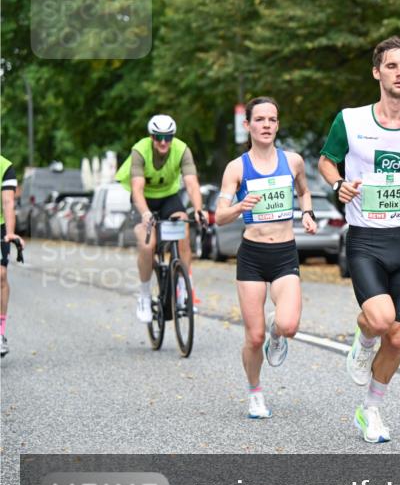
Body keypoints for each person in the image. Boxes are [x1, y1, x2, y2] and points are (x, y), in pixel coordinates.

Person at [318, 36, 400, 443]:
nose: (399, 73)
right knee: (379, 321)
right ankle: (362, 340)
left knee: (396, 336)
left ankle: (371, 410)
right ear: (377, 72)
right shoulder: (350, 121)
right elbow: (326, 161)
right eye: (391, 66)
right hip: (365, 237)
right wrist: (339, 184)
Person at [215, 97, 317, 419]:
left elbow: (304, 192)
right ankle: (255, 392)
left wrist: (308, 213)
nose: (266, 125)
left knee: (288, 325)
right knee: (253, 336)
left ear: (277, 124)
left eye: (272, 119)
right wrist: (239, 207)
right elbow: (219, 216)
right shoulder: (237, 167)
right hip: (253, 256)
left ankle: (277, 332)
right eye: (259, 119)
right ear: (248, 125)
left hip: (285, 252)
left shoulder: (293, 161)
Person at [114, 115, 205, 323]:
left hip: (168, 198)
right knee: (148, 244)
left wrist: (199, 209)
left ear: (173, 137)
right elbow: (137, 189)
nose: (163, 142)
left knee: (183, 227)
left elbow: (192, 184)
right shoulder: (140, 151)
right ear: (151, 137)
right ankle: (144, 296)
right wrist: (145, 213)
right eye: (158, 137)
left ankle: (183, 290)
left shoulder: (182, 150)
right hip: (143, 200)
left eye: (168, 137)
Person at [1, 154, 21, 358]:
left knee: (1, 275)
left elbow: (8, 202)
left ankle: (0, 333)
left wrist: (10, 232)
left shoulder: (4, 166)